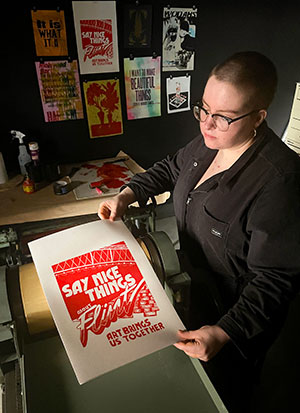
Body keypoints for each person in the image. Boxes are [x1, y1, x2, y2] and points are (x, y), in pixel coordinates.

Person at [98, 51, 300, 412]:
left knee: (225, 393)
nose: (207, 125)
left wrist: (224, 332)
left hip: (234, 318)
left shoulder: (280, 181)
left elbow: (275, 280)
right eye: (204, 109)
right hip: (194, 291)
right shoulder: (209, 143)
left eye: (222, 117)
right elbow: (170, 168)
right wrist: (127, 194)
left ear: (258, 117)